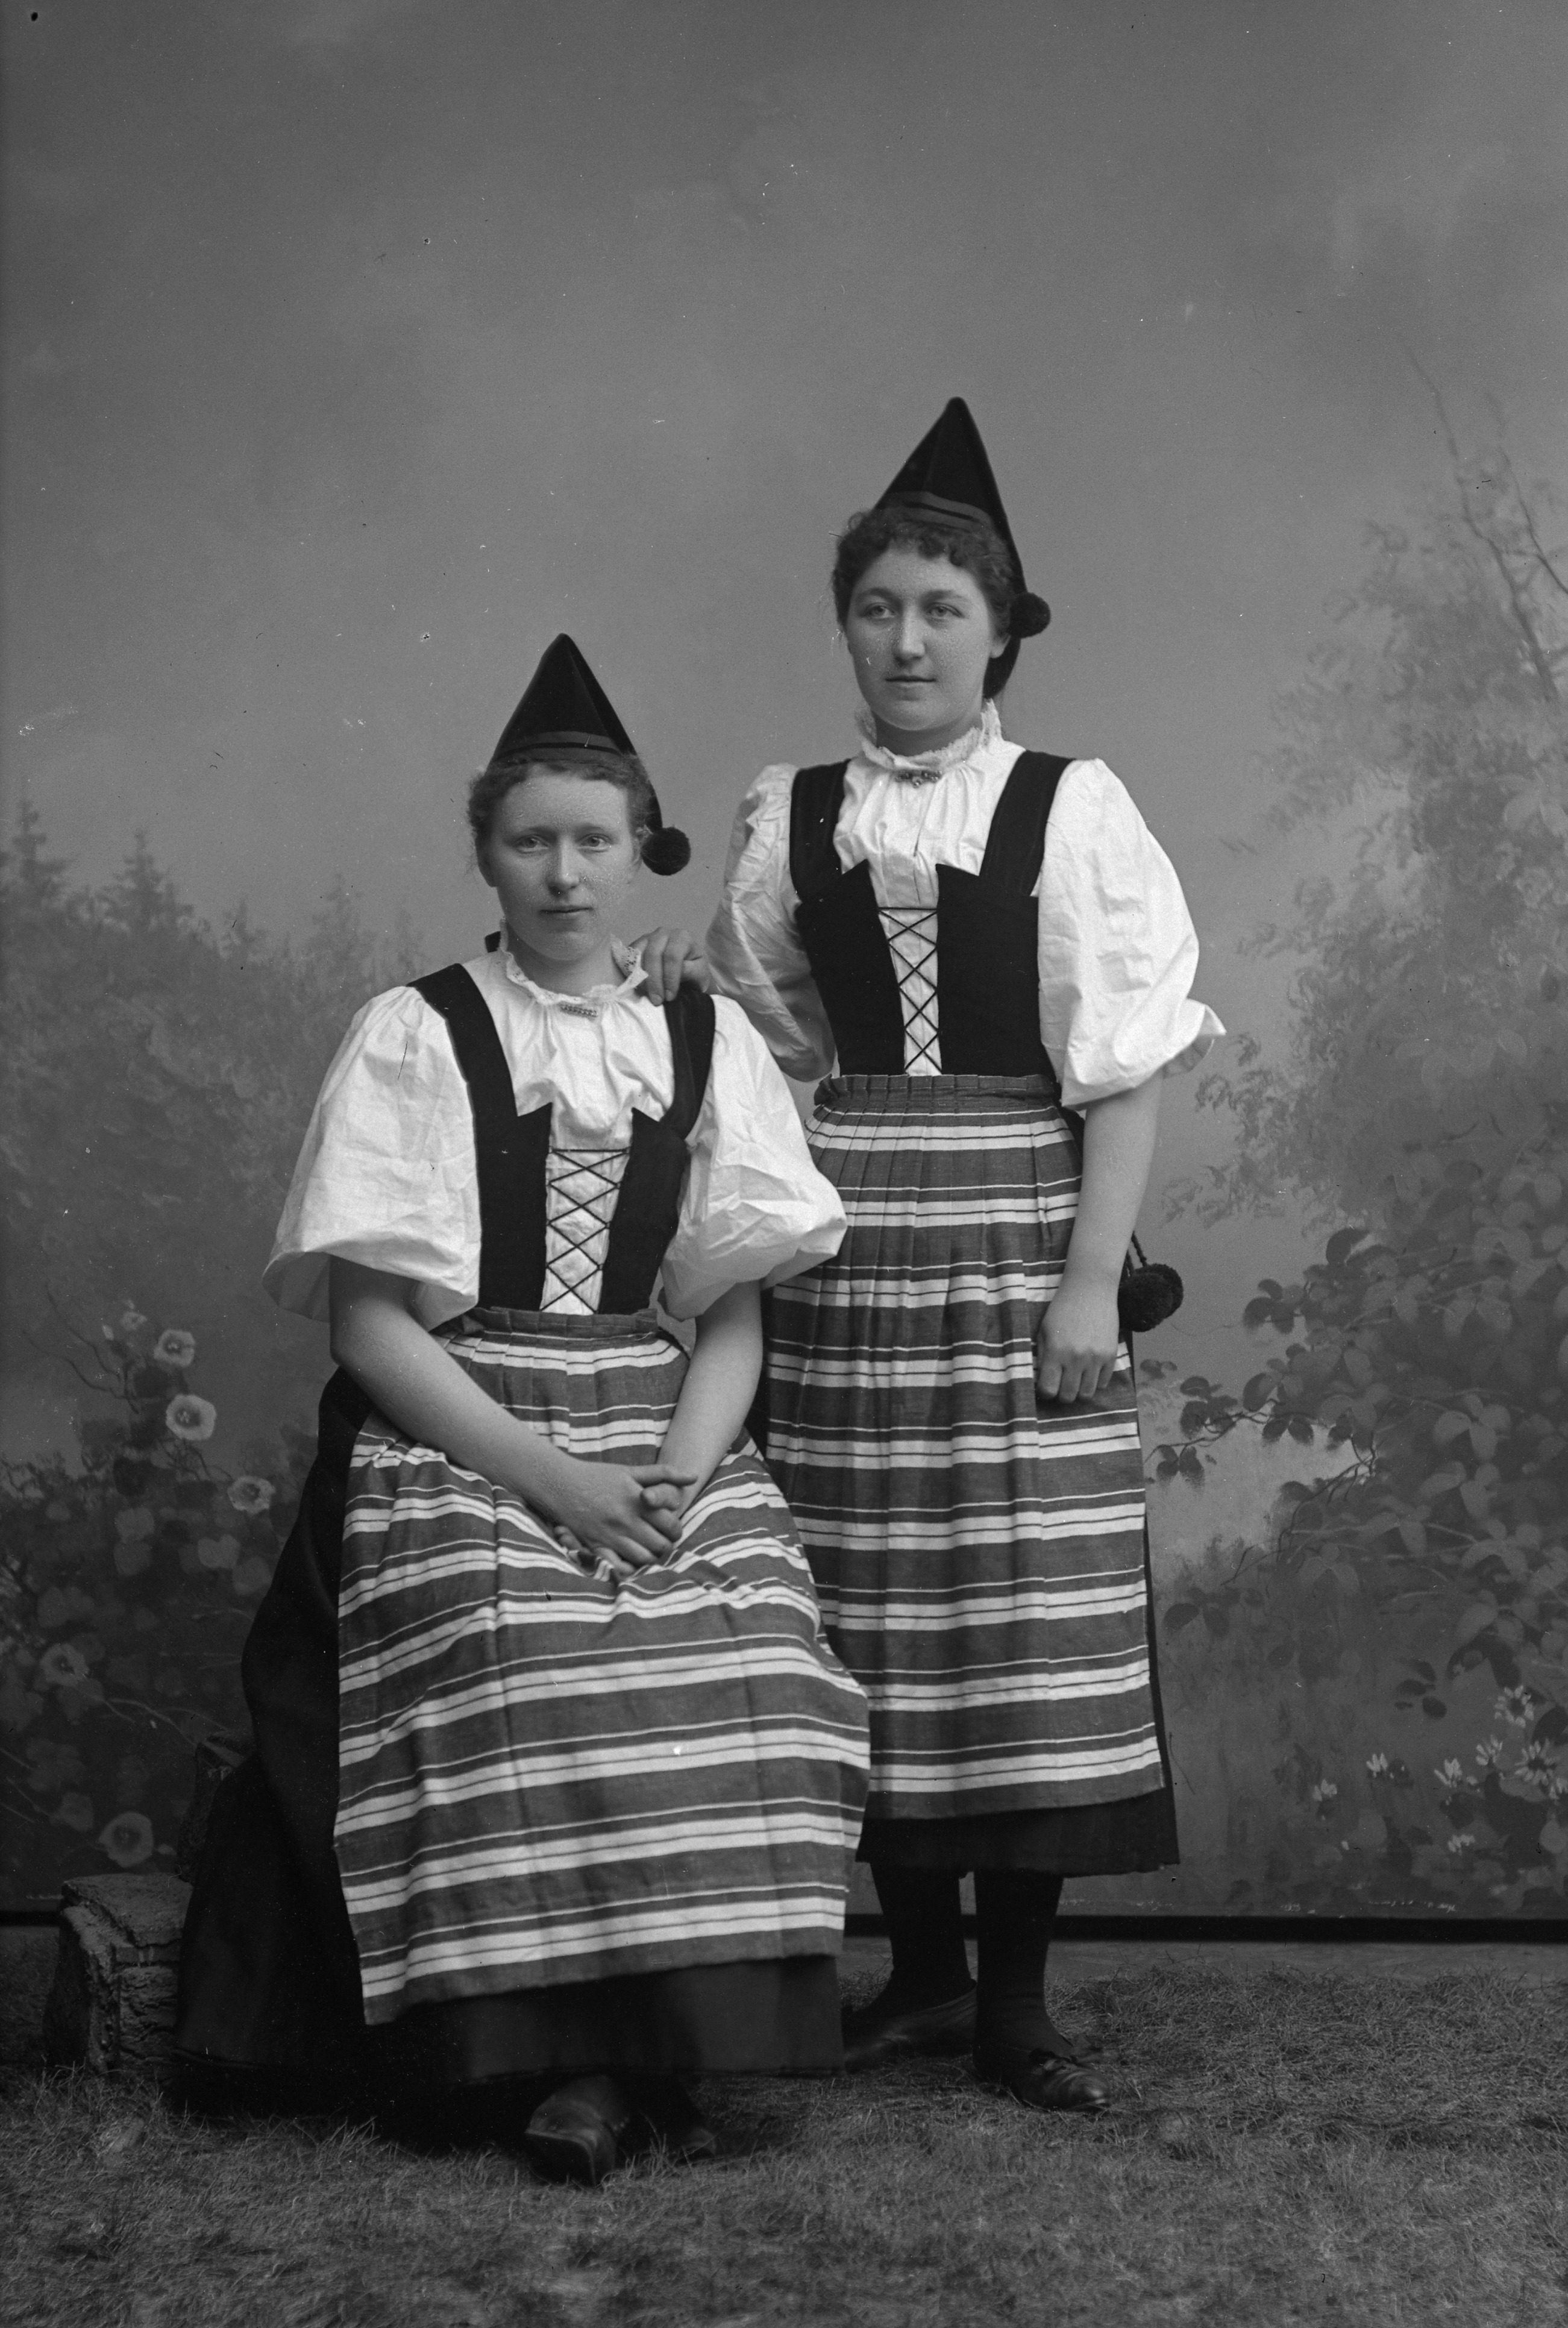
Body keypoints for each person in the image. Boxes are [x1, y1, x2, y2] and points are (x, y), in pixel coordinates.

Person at [175, 635, 869, 2182]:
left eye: (594, 842)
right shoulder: (416, 1030)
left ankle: (638, 2057)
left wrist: (677, 1484)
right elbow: (369, 1325)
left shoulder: (699, 1036)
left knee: (750, 1642)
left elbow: (730, 1309)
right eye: (530, 841)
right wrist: (553, 1483)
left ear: (640, 854)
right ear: (484, 854)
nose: (563, 875)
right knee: (524, 1644)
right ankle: (573, 2065)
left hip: (659, 1417)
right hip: (460, 1420)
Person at [693, 400, 1225, 2115]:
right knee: (863, 1599)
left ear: (1000, 635)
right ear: (845, 629)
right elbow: (761, 1049)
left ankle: (1014, 2005)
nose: (907, 640)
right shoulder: (789, 814)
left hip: (1021, 1234)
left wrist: (1086, 1284)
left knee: (1015, 1601)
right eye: (878, 609)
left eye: (942, 609)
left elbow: (1122, 1069)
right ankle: (916, 1975)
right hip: (846, 1242)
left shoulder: (1071, 807)